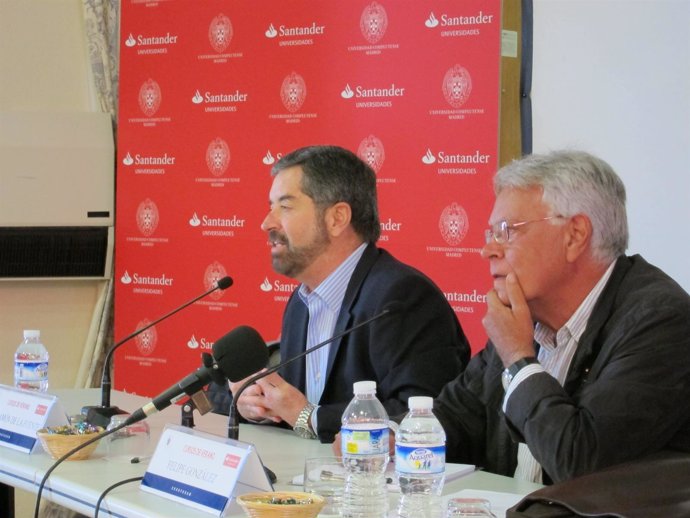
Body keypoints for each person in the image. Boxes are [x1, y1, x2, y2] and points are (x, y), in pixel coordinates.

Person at [430, 149, 690, 484]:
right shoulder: (527, 316)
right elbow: (454, 420)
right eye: (490, 234)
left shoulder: (659, 323)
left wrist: (519, 360)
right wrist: (392, 435)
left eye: (507, 231)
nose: (488, 250)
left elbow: (581, 463)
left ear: (575, 235)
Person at [231, 145, 470, 443]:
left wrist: (309, 416)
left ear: (337, 218)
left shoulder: (402, 297)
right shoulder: (300, 304)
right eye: (270, 206)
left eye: (285, 206)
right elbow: (293, 411)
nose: (266, 222)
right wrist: (256, 404)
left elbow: (423, 416)